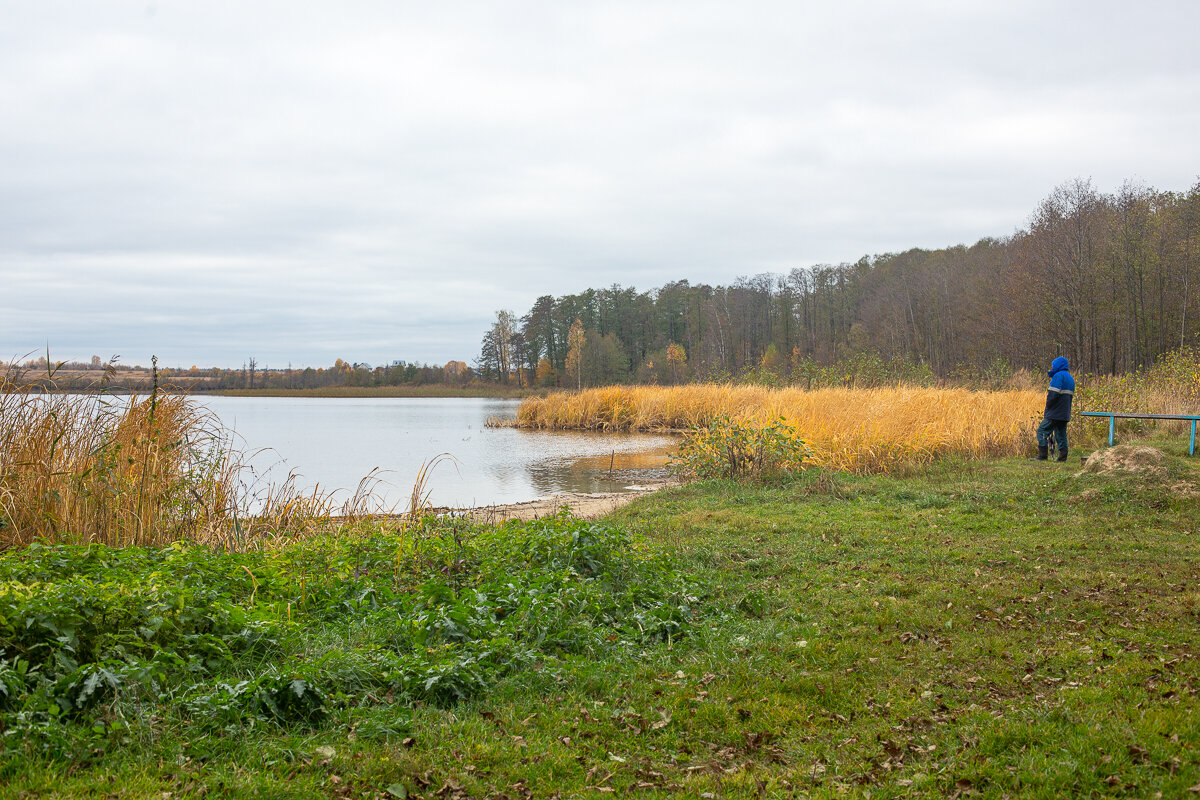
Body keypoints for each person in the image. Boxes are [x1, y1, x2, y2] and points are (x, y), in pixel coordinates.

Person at [1035, 356, 1074, 462]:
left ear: (1058, 365)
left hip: (1054, 412)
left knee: (1042, 431)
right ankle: (1062, 457)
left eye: (1053, 365)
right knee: (1061, 434)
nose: (1052, 367)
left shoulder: (1058, 376)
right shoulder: (1070, 378)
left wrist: (1048, 406)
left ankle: (1042, 456)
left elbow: (1053, 395)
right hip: (1064, 412)